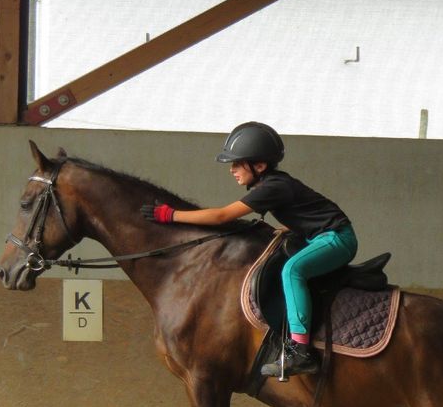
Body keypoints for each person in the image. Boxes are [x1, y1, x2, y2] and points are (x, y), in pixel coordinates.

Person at [141, 122, 358, 377]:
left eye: (237, 163)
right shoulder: (272, 185)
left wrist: (171, 215)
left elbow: (221, 216)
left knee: (291, 271)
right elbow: (302, 213)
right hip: (319, 237)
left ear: (260, 165)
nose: (232, 170)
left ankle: (301, 351)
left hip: (336, 239)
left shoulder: (273, 187)